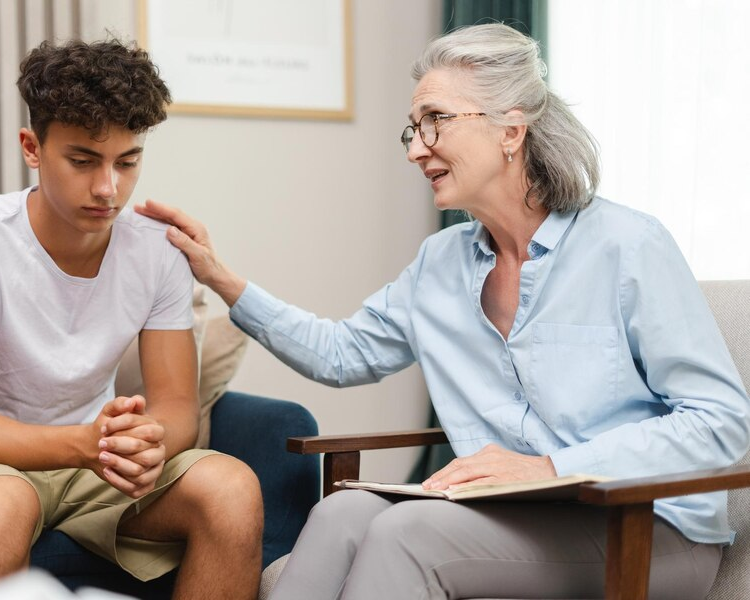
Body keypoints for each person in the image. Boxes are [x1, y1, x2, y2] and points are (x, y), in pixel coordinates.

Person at [135, 23, 750, 599]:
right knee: (344, 510)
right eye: (413, 128)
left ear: (512, 131)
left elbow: (722, 422)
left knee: (409, 534)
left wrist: (551, 466)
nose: (415, 149)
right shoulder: (441, 263)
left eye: (435, 121)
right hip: (520, 517)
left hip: (645, 528)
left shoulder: (627, 246)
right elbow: (342, 354)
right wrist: (220, 277)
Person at [0, 39, 262, 599]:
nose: (108, 188)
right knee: (3, 502)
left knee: (231, 488)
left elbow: (177, 407)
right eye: (83, 161)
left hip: (91, 467)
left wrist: (149, 441)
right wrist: (86, 444)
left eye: (128, 162)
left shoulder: (157, 252)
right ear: (32, 147)